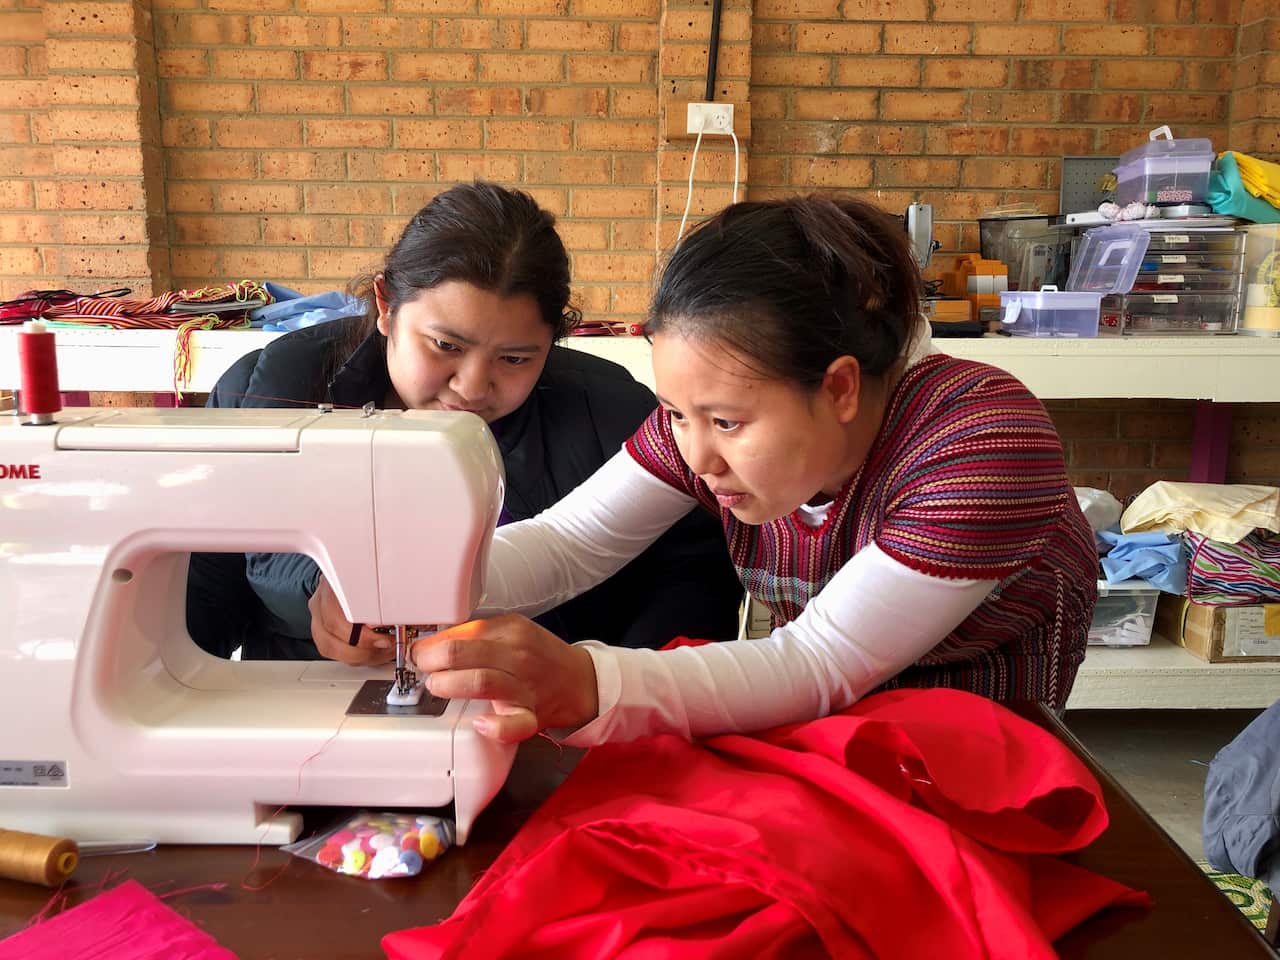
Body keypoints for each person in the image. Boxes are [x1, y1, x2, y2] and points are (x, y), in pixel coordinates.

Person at [361, 194, 1100, 744]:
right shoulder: (707, 416)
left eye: (725, 423)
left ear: (839, 388)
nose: (696, 455)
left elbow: (816, 663)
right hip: (830, 735)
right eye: (676, 414)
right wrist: (408, 580)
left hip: (985, 754)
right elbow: (568, 543)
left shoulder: (979, 439)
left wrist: (586, 682)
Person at [185, 181, 744, 663]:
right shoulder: (270, 393)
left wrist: (598, 689)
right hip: (303, 707)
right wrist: (319, 588)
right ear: (385, 305)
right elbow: (208, 584)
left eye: (516, 358)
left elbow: (687, 584)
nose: (473, 387)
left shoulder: (611, 415)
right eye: (445, 345)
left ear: (556, 340)